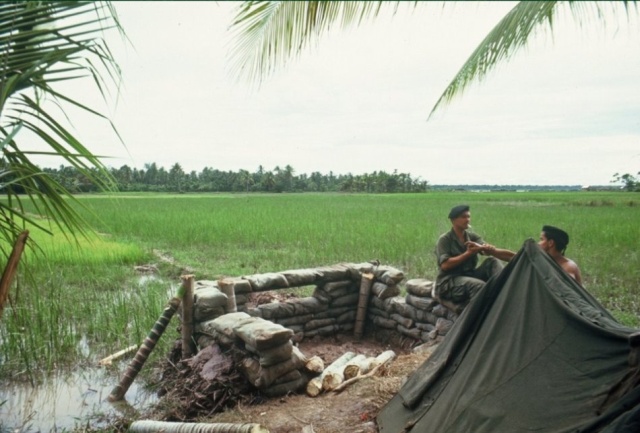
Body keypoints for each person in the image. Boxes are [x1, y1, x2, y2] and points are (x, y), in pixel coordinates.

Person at [434, 204, 515, 313]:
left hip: (468, 276)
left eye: (468, 216)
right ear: (453, 220)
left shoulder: (473, 237)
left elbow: (491, 252)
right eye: (463, 217)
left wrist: (491, 250)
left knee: (492, 262)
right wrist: (468, 253)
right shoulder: (445, 240)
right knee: (479, 286)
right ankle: (477, 320)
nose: (467, 220)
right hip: (449, 282)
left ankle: (504, 295)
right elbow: (445, 265)